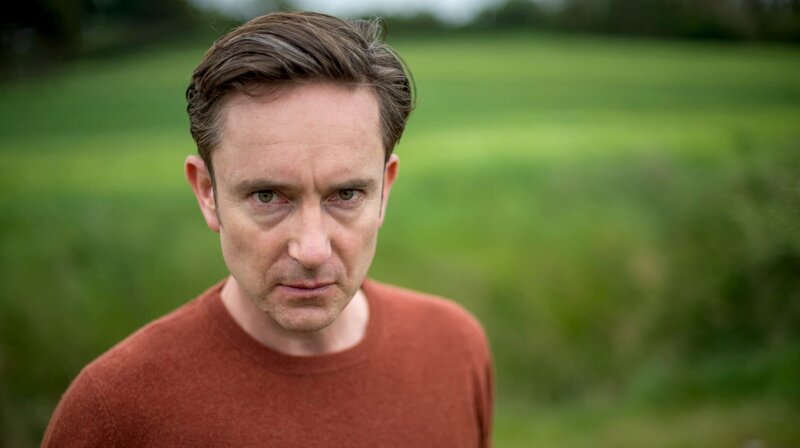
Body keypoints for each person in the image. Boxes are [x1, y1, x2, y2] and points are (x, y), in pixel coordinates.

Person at [43, 11, 493, 447]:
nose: (312, 250)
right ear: (207, 192)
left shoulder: (454, 349)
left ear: (384, 190)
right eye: (266, 196)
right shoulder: (114, 410)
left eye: (346, 194)